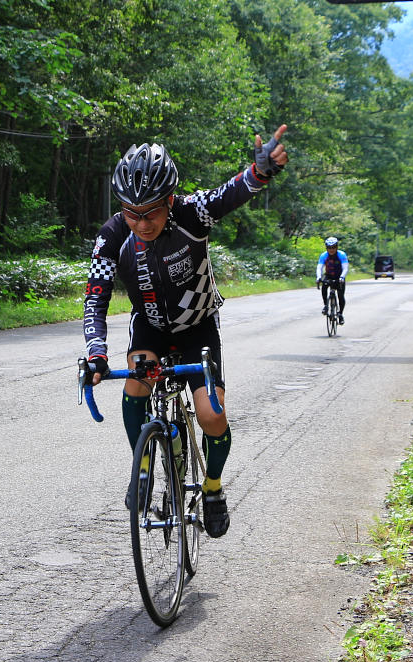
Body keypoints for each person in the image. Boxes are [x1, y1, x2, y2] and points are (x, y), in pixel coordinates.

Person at [81, 126, 289, 539]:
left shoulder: (192, 213)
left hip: (198, 327)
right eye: (130, 212)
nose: (141, 223)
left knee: (211, 415)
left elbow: (234, 190)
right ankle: (142, 471)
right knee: (138, 380)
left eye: (151, 212)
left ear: (170, 200)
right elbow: (95, 298)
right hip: (151, 328)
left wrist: (261, 172)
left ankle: (212, 487)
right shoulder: (112, 236)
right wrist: (96, 351)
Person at [316, 236, 348, 324]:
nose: (331, 250)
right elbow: (319, 267)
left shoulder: (341, 254)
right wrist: (318, 277)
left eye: (333, 247)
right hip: (329, 275)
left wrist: (342, 277)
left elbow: (345, 268)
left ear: (337, 247)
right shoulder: (324, 255)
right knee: (324, 287)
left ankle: (340, 314)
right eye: (329, 248)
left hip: (339, 276)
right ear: (326, 248)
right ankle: (326, 306)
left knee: (341, 296)